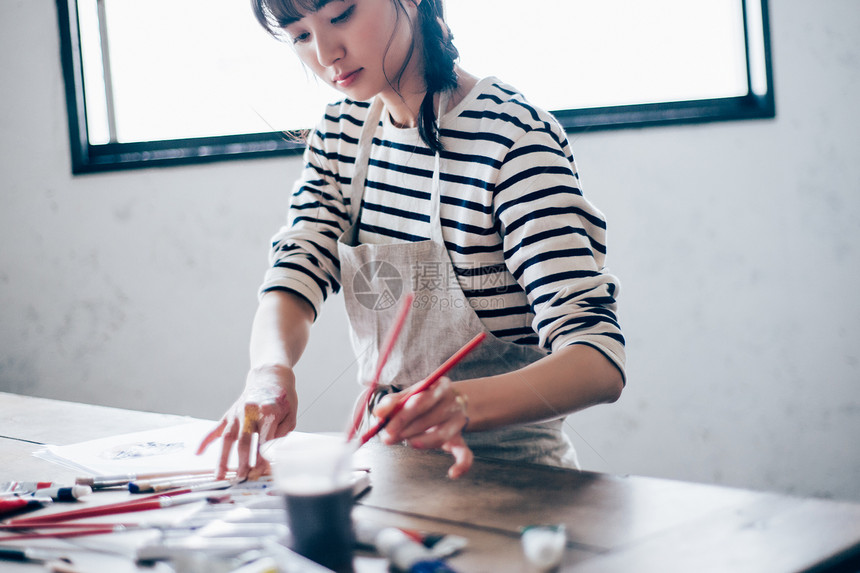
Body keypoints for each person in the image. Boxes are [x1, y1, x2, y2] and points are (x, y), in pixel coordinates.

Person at [198, 0, 626, 480]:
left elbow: (597, 361)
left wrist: (461, 402)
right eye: (300, 35)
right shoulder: (340, 132)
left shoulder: (511, 138)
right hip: (385, 472)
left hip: (517, 480)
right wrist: (269, 372)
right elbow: (297, 268)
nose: (326, 52)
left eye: (341, 15)